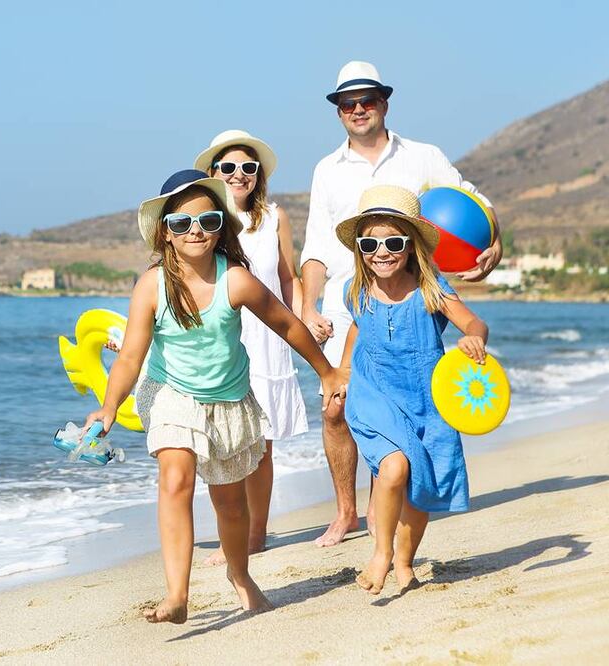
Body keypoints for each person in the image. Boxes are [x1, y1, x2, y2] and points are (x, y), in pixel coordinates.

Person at [84, 169, 346, 624]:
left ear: (221, 227)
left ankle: (240, 576)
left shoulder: (236, 280)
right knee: (176, 478)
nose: (195, 232)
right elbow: (129, 357)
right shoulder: (152, 286)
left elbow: (286, 324)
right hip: (171, 393)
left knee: (229, 503)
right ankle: (177, 594)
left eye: (206, 221)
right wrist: (108, 407)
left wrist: (326, 372)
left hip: (228, 400)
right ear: (165, 233)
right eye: (182, 224)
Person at [301, 61, 502, 546]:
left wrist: (497, 242)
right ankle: (348, 510)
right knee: (335, 410)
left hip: (414, 301)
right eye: (348, 103)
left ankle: (383, 506)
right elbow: (314, 247)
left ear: (384, 103)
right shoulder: (327, 170)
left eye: (367, 99)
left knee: (395, 411)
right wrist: (308, 307)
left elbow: (473, 203)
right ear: (338, 112)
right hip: (350, 303)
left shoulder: (423, 156)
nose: (359, 109)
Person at [336, 184, 488, 594]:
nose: (381, 252)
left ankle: (404, 561)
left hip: (427, 399)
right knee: (395, 467)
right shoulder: (355, 289)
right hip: (375, 395)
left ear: (411, 245)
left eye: (393, 242)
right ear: (360, 249)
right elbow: (358, 329)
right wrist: (342, 372)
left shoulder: (431, 288)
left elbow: (474, 323)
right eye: (370, 243)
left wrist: (473, 339)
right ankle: (381, 554)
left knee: (420, 486)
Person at [193, 130, 309, 565]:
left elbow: (286, 278)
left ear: (258, 175)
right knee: (222, 441)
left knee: (260, 446)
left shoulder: (273, 218)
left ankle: (256, 534)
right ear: (213, 173)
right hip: (218, 340)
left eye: (248, 167)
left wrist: (305, 319)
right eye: (228, 167)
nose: (239, 175)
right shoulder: (202, 220)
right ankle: (231, 532)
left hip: (266, 340)